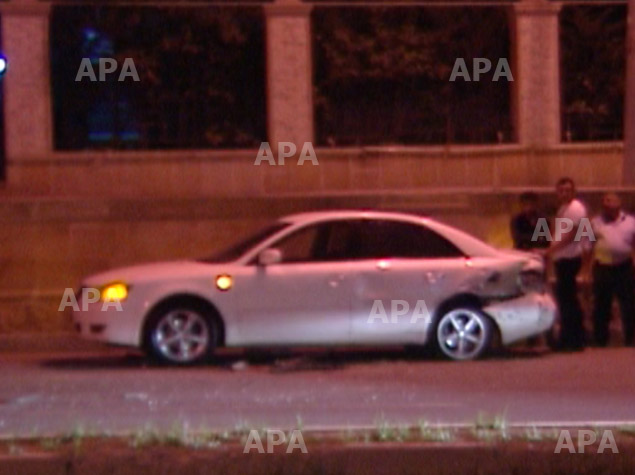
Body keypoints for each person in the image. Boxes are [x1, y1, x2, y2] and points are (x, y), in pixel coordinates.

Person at [545, 177, 589, 351]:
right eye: (561, 190)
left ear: (574, 191)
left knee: (569, 301)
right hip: (562, 259)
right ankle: (569, 338)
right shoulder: (563, 209)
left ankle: (573, 340)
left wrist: (551, 251)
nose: (564, 193)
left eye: (568, 190)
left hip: (570, 259)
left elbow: (572, 235)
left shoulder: (576, 208)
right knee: (565, 300)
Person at [589, 193, 635, 347]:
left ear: (619, 202)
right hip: (602, 267)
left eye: (610, 200)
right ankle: (600, 340)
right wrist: (585, 271)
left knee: (629, 305)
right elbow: (585, 246)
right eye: (604, 200)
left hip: (624, 267)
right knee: (601, 306)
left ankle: (631, 339)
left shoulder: (631, 222)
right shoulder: (593, 222)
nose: (606, 203)